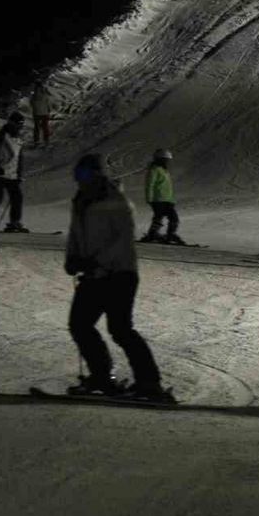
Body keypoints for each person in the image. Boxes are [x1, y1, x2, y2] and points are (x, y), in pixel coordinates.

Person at [64, 154, 172, 402]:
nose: (79, 180)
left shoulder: (116, 201)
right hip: (93, 275)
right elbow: (75, 235)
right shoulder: (80, 201)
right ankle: (102, 376)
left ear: (97, 174)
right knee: (80, 324)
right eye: (77, 175)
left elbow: (122, 241)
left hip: (119, 274)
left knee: (121, 329)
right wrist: (72, 259)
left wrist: (97, 262)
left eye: (84, 174)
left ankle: (149, 382)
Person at [140, 148, 184, 245]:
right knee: (160, 217)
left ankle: (167, 234)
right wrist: (149, 199)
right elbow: (149, 184)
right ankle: (155, 234)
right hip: (158, 199)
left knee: (172, 218)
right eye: (165, 160)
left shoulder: (164, 170)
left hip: (167, 200)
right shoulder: (154, 170)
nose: (167, 162)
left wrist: (172, 200)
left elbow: (167, 187)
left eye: (168, 160)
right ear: (159, 159)